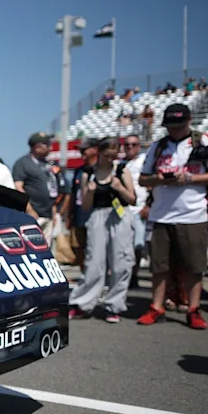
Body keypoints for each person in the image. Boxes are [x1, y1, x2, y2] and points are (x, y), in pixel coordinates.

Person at [137, 104, 208, 329]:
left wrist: (189, 179)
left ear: (189, 121)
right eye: (170, 126)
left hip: (193, 215)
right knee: (159, 266)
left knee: (194, 266)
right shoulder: (158, 146)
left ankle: (193, 308)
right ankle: (156, 307)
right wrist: (160, 179)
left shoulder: (205, 141)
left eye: (179, 125)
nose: (174, 130)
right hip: (161, 215)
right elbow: (143, 179)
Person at [68, 138, 137, 322]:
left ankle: (114, 305)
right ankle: (82, 303)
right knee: (94, 262)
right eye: (107, 155)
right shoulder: (89, 173)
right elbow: (85, 206)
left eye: (113, 156)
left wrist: (119, 188)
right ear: (99, 153)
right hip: (98, 215)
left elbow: (132, 199)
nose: (110, 159)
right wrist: (90, 191)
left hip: (120, 215)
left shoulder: (122, 170)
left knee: (120, 262)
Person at [13, 132, 65, 235]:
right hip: (33, 214)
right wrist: (30, 210)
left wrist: (53, 211)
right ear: (37, 147)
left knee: (47, 244)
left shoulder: (48, 164)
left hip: (48, 215)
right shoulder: (23, 163)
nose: (50, 147)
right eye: (47, 145)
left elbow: (52, 189)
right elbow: (18, 187)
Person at [67, 139, 98, 270]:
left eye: (84, 149)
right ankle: (84, 274)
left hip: (96, 214)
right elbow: (73, 194)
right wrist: (69, 215)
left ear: (95, 149)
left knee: (96, 247)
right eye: (80, 150)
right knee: (80, 247)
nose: (82, 152)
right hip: (80, 215)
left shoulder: (100, 169)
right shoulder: (79, 170)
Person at [122, 135, 148, 286]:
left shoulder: (144, 161)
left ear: (139, 146)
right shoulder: (120, 163)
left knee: (139, 245)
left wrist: (147, 205)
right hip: (124, 210)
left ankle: (135, 273)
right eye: (127, 145)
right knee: (124, 247)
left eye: (134, 144)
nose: (130, 147)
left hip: (139, 209)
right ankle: (128, 276)